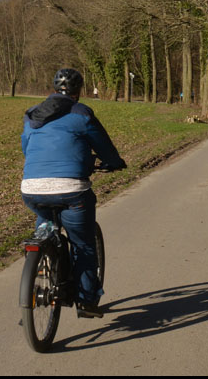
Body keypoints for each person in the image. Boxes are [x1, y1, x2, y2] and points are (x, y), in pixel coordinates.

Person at [20, 68, 126, 318]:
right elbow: (103, 146)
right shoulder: (82, 113)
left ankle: (43, 263)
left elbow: (27, 146)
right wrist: (114, 162)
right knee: (83, 244)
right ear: (79, 91)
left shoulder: (33, 114)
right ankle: (87, 301)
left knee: (45, 216)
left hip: (32, 188)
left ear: (54, 88)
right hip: (72, 191)